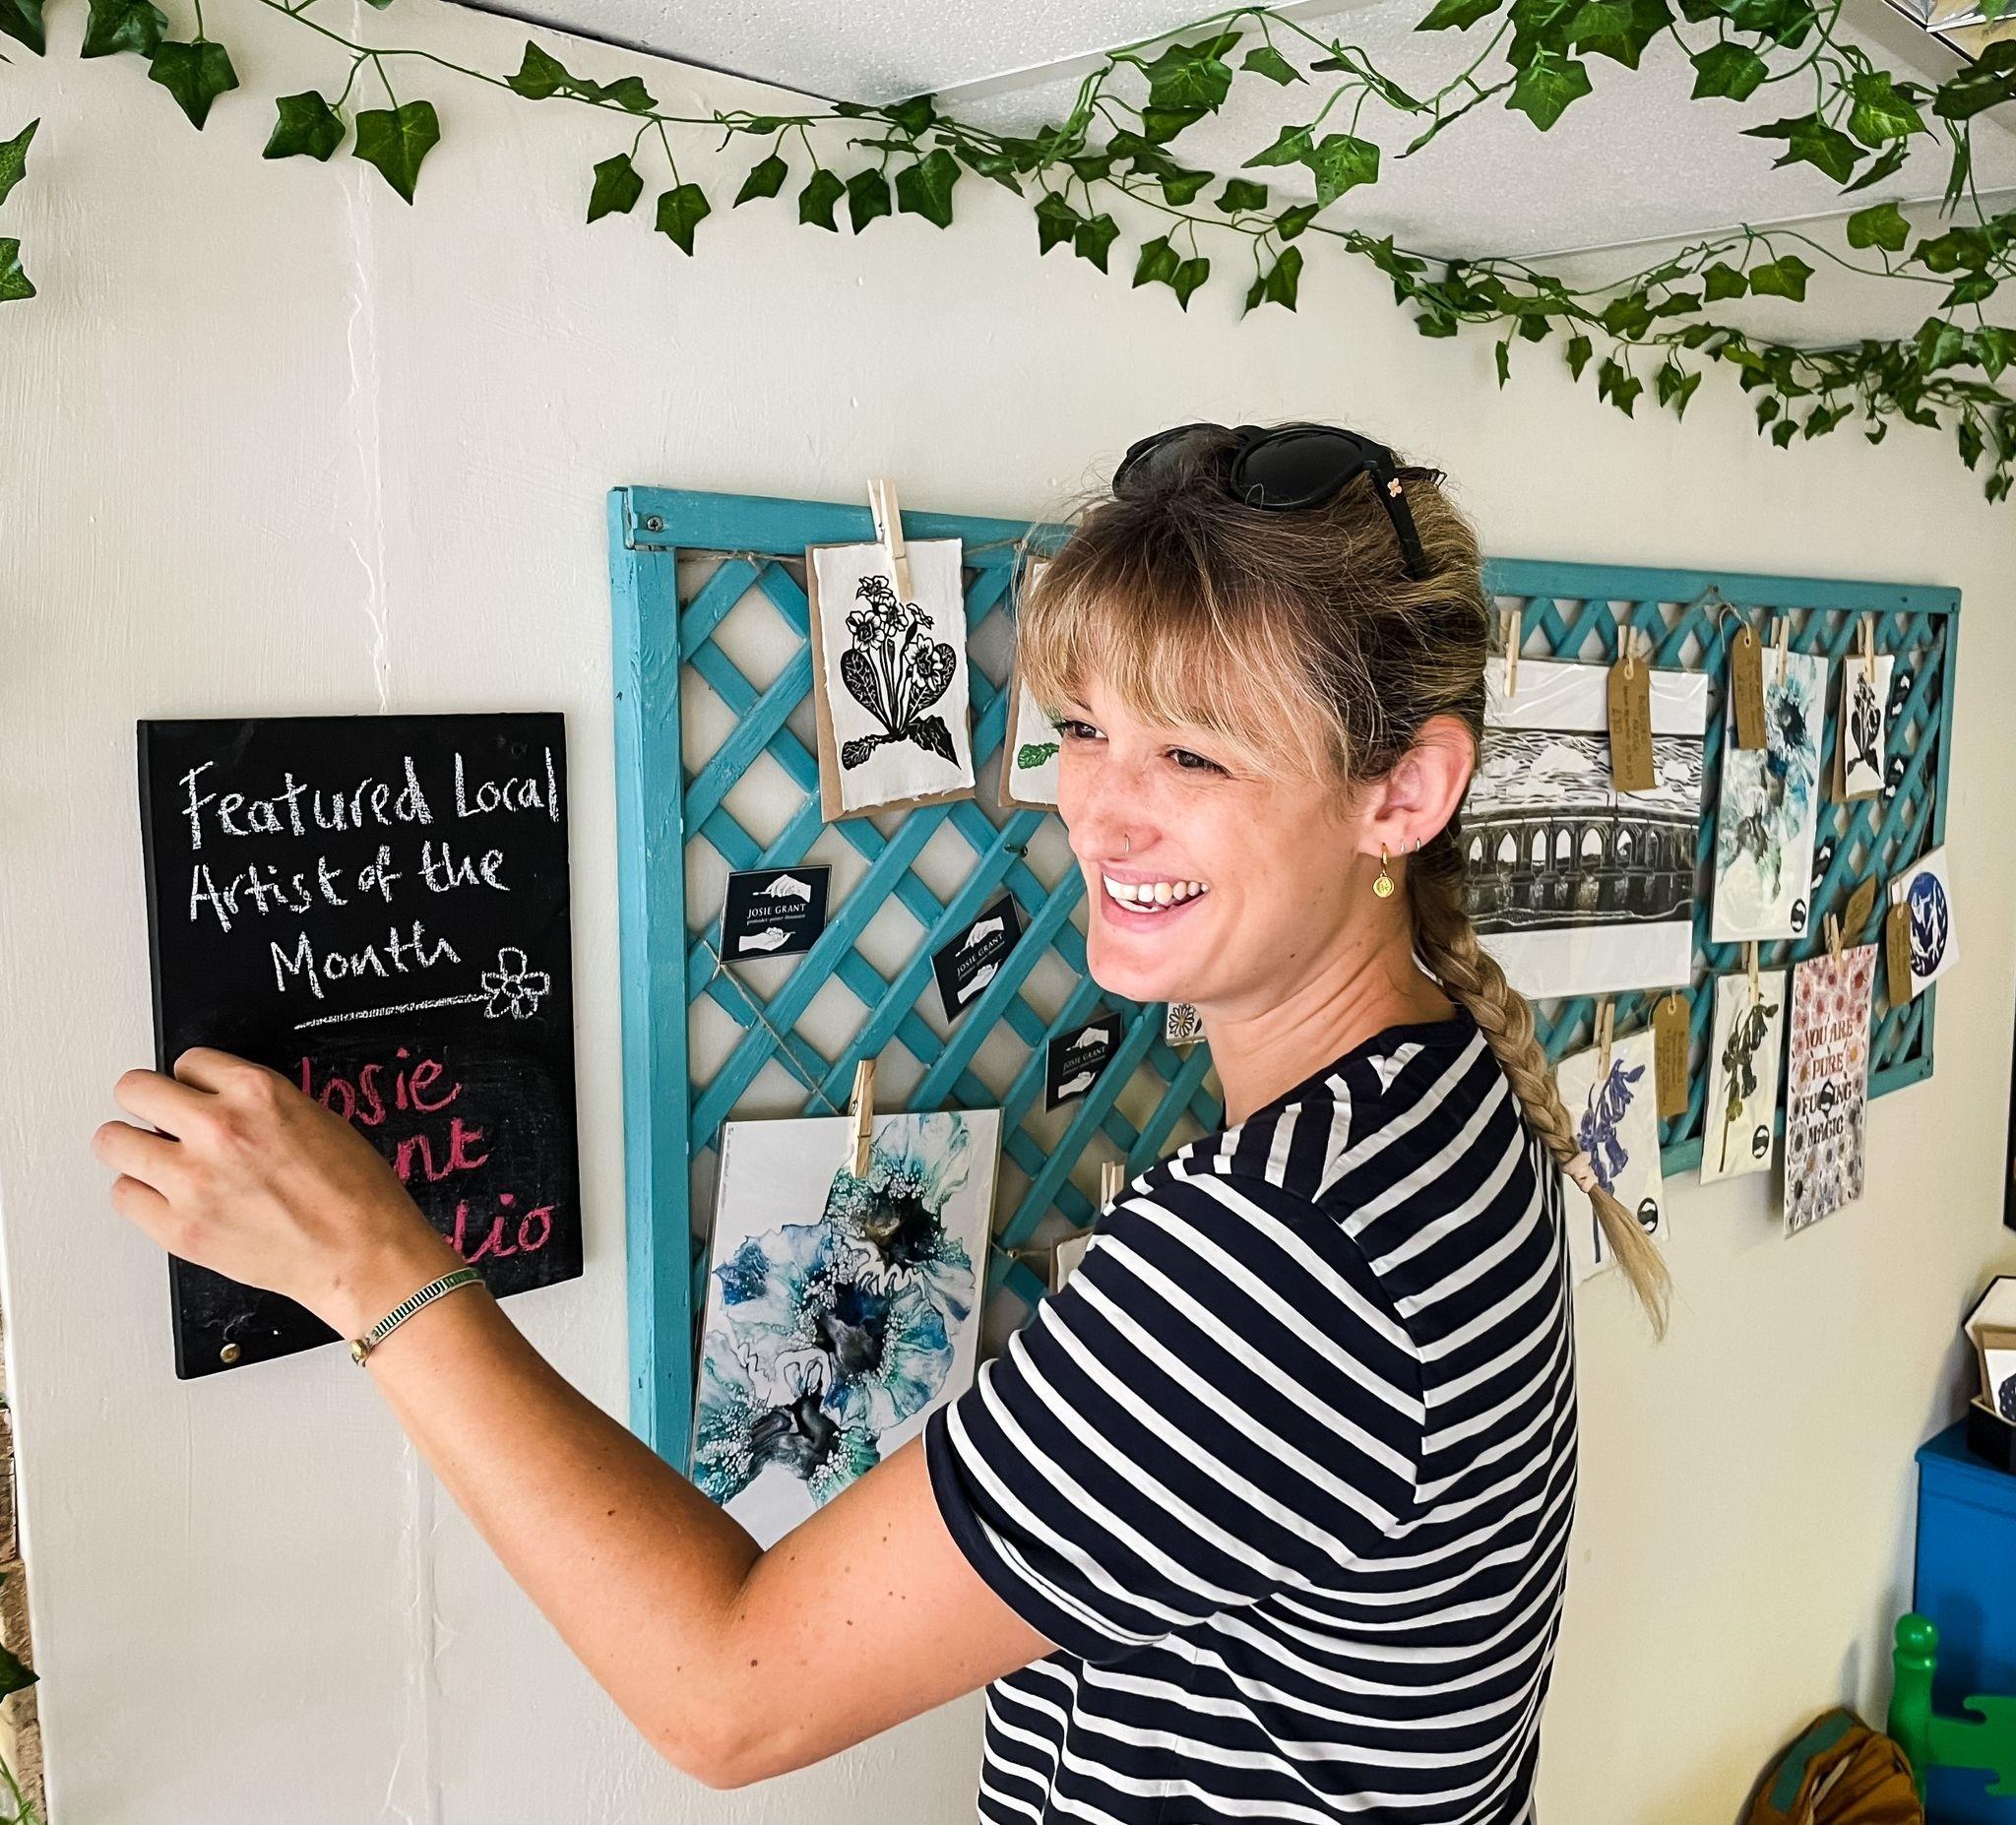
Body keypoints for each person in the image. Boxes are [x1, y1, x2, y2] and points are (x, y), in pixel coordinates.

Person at [95, 420, 1669, 1822]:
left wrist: (377, 1268)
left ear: (1402, 794)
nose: (1095, 805)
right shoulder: (1440, 1098)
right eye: (1082, 726)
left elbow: (728, 1691)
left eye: (1191, 751)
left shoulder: (1280, 1259)